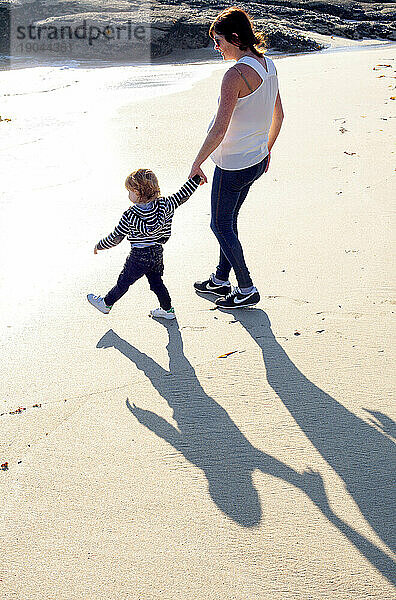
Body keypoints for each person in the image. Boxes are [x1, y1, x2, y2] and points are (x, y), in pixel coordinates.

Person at [189, 7, 284, 309]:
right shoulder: (268, 65)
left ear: (234, 37)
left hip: (232, 165)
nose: (216, 47)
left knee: (219, 225)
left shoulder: (235, 75)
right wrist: (266, 150)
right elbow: (278, 115)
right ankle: (220, 279)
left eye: (218, 41)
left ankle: (246, 288)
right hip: (255, 160)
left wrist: (196, 163)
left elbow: (219, 128)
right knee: (228, 221)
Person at [87, 169, 201, 319]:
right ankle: (167, 310)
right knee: (157, 283)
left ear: (137, 192)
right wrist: (196, 180)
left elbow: (116, 237)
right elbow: (182, 195)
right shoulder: (166, 204)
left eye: (130, 192)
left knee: (124, 281)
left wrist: (100, 245)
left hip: (138, 256)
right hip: (156, 253)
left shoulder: (129, 215)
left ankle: (106, 303)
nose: (129, 195)